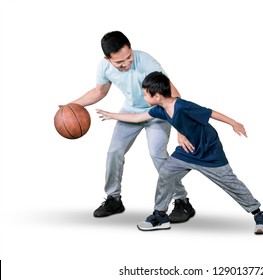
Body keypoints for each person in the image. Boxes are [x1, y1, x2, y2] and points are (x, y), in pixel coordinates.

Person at [96, 71, 263, 234]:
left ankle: (258, 214)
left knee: (230, 183)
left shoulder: (183, 106)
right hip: (186, 152)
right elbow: (137, 117)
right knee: (166, 172)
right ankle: (160, 216)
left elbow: (210, 113)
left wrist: (234, 123)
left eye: (145, 94)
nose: (143, 97)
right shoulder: (160, 109)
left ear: (157, 96)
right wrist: (112, 115)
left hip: (208, 152)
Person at [66, 31, 195, 222]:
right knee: (114, 152)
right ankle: (113, 198)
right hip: (130, 111)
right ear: (107, 59)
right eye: (119, 62)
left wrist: (181, 130)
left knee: (157, 154)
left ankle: (182, 201)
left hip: (157, 112)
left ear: (131, 49)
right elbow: (98, 92)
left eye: (129, 57)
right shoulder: (104, 67)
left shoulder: (147, 63)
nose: (126, 64)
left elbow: (174, 96)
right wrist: (72, 105)